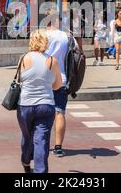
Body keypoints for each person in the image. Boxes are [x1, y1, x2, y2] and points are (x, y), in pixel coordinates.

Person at [17, 30, 62, 173]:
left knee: (27, 136)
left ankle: (25, 160)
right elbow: (58, 85)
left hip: (25, 105)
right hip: (45, 105)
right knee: (41, 140)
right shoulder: (52, 61)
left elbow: (19, 80)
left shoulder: (23, 58)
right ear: (45, 42)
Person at [45, 9, 72, 157]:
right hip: (61, 78)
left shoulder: (41, 35)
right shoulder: (66, 36)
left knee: (41, 112)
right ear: (57, 20)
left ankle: (41, 143)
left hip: (43, 79)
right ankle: (58, 147)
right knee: (60, 112)